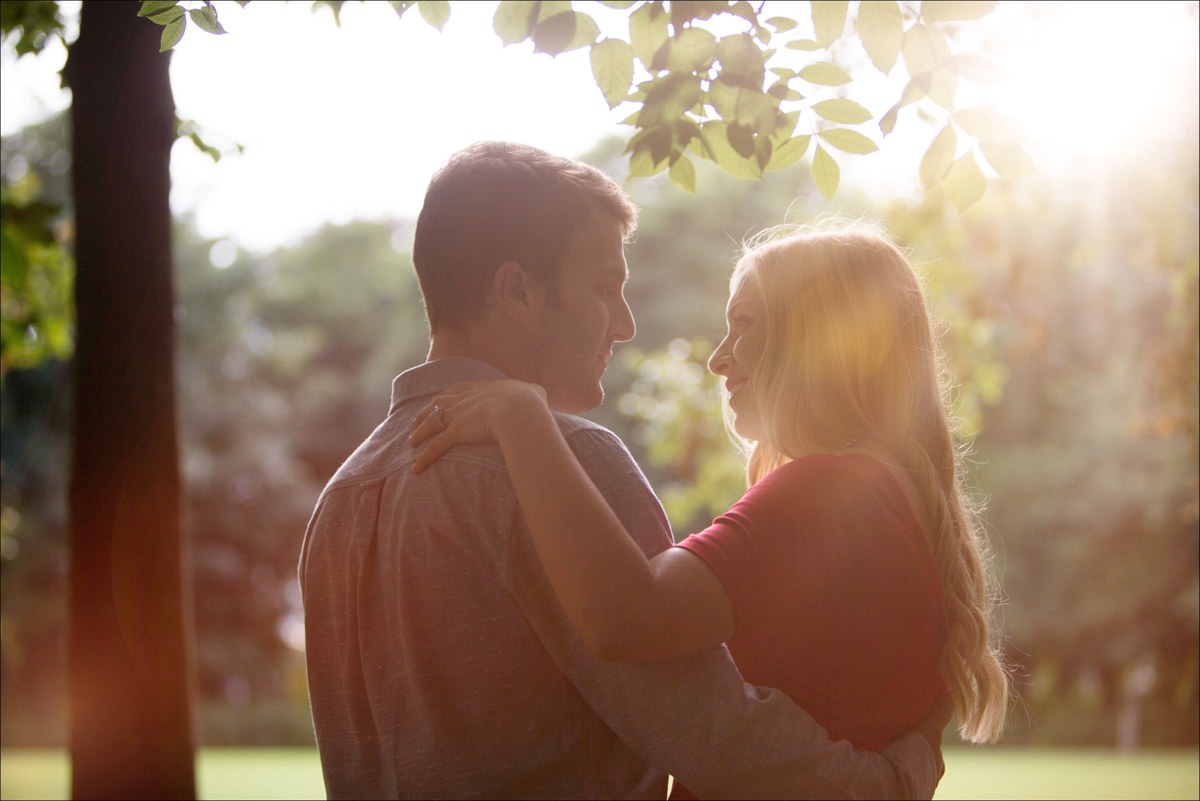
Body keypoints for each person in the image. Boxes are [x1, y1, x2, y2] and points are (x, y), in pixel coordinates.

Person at [299, 141, 949, 800]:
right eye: (606, 286)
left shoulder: (343, 498)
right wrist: (888, 782)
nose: (628, 323)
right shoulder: (568, 463)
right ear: (518, 290)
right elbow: (716, 737)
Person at [409, 220, 1011, 797]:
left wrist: (523, 419)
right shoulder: (896, 498)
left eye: (744, 325)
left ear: (831, 337)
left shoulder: (828, 491)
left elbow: (630, 616)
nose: (718, 358)